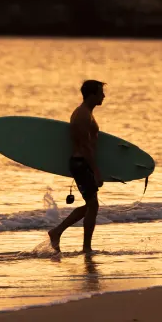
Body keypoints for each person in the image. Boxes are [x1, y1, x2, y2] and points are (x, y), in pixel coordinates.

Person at [48, 80, 105, 254]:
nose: (103, 95)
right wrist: (96, 170)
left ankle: (58, 232)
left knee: (91, 205)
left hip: (83, 163)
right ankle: (83, 246)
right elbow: (84, 146)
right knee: (93, 205)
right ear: (92, 94)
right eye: (100, 92)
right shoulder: (82, 115)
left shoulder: (87, 113)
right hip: (81, 163)